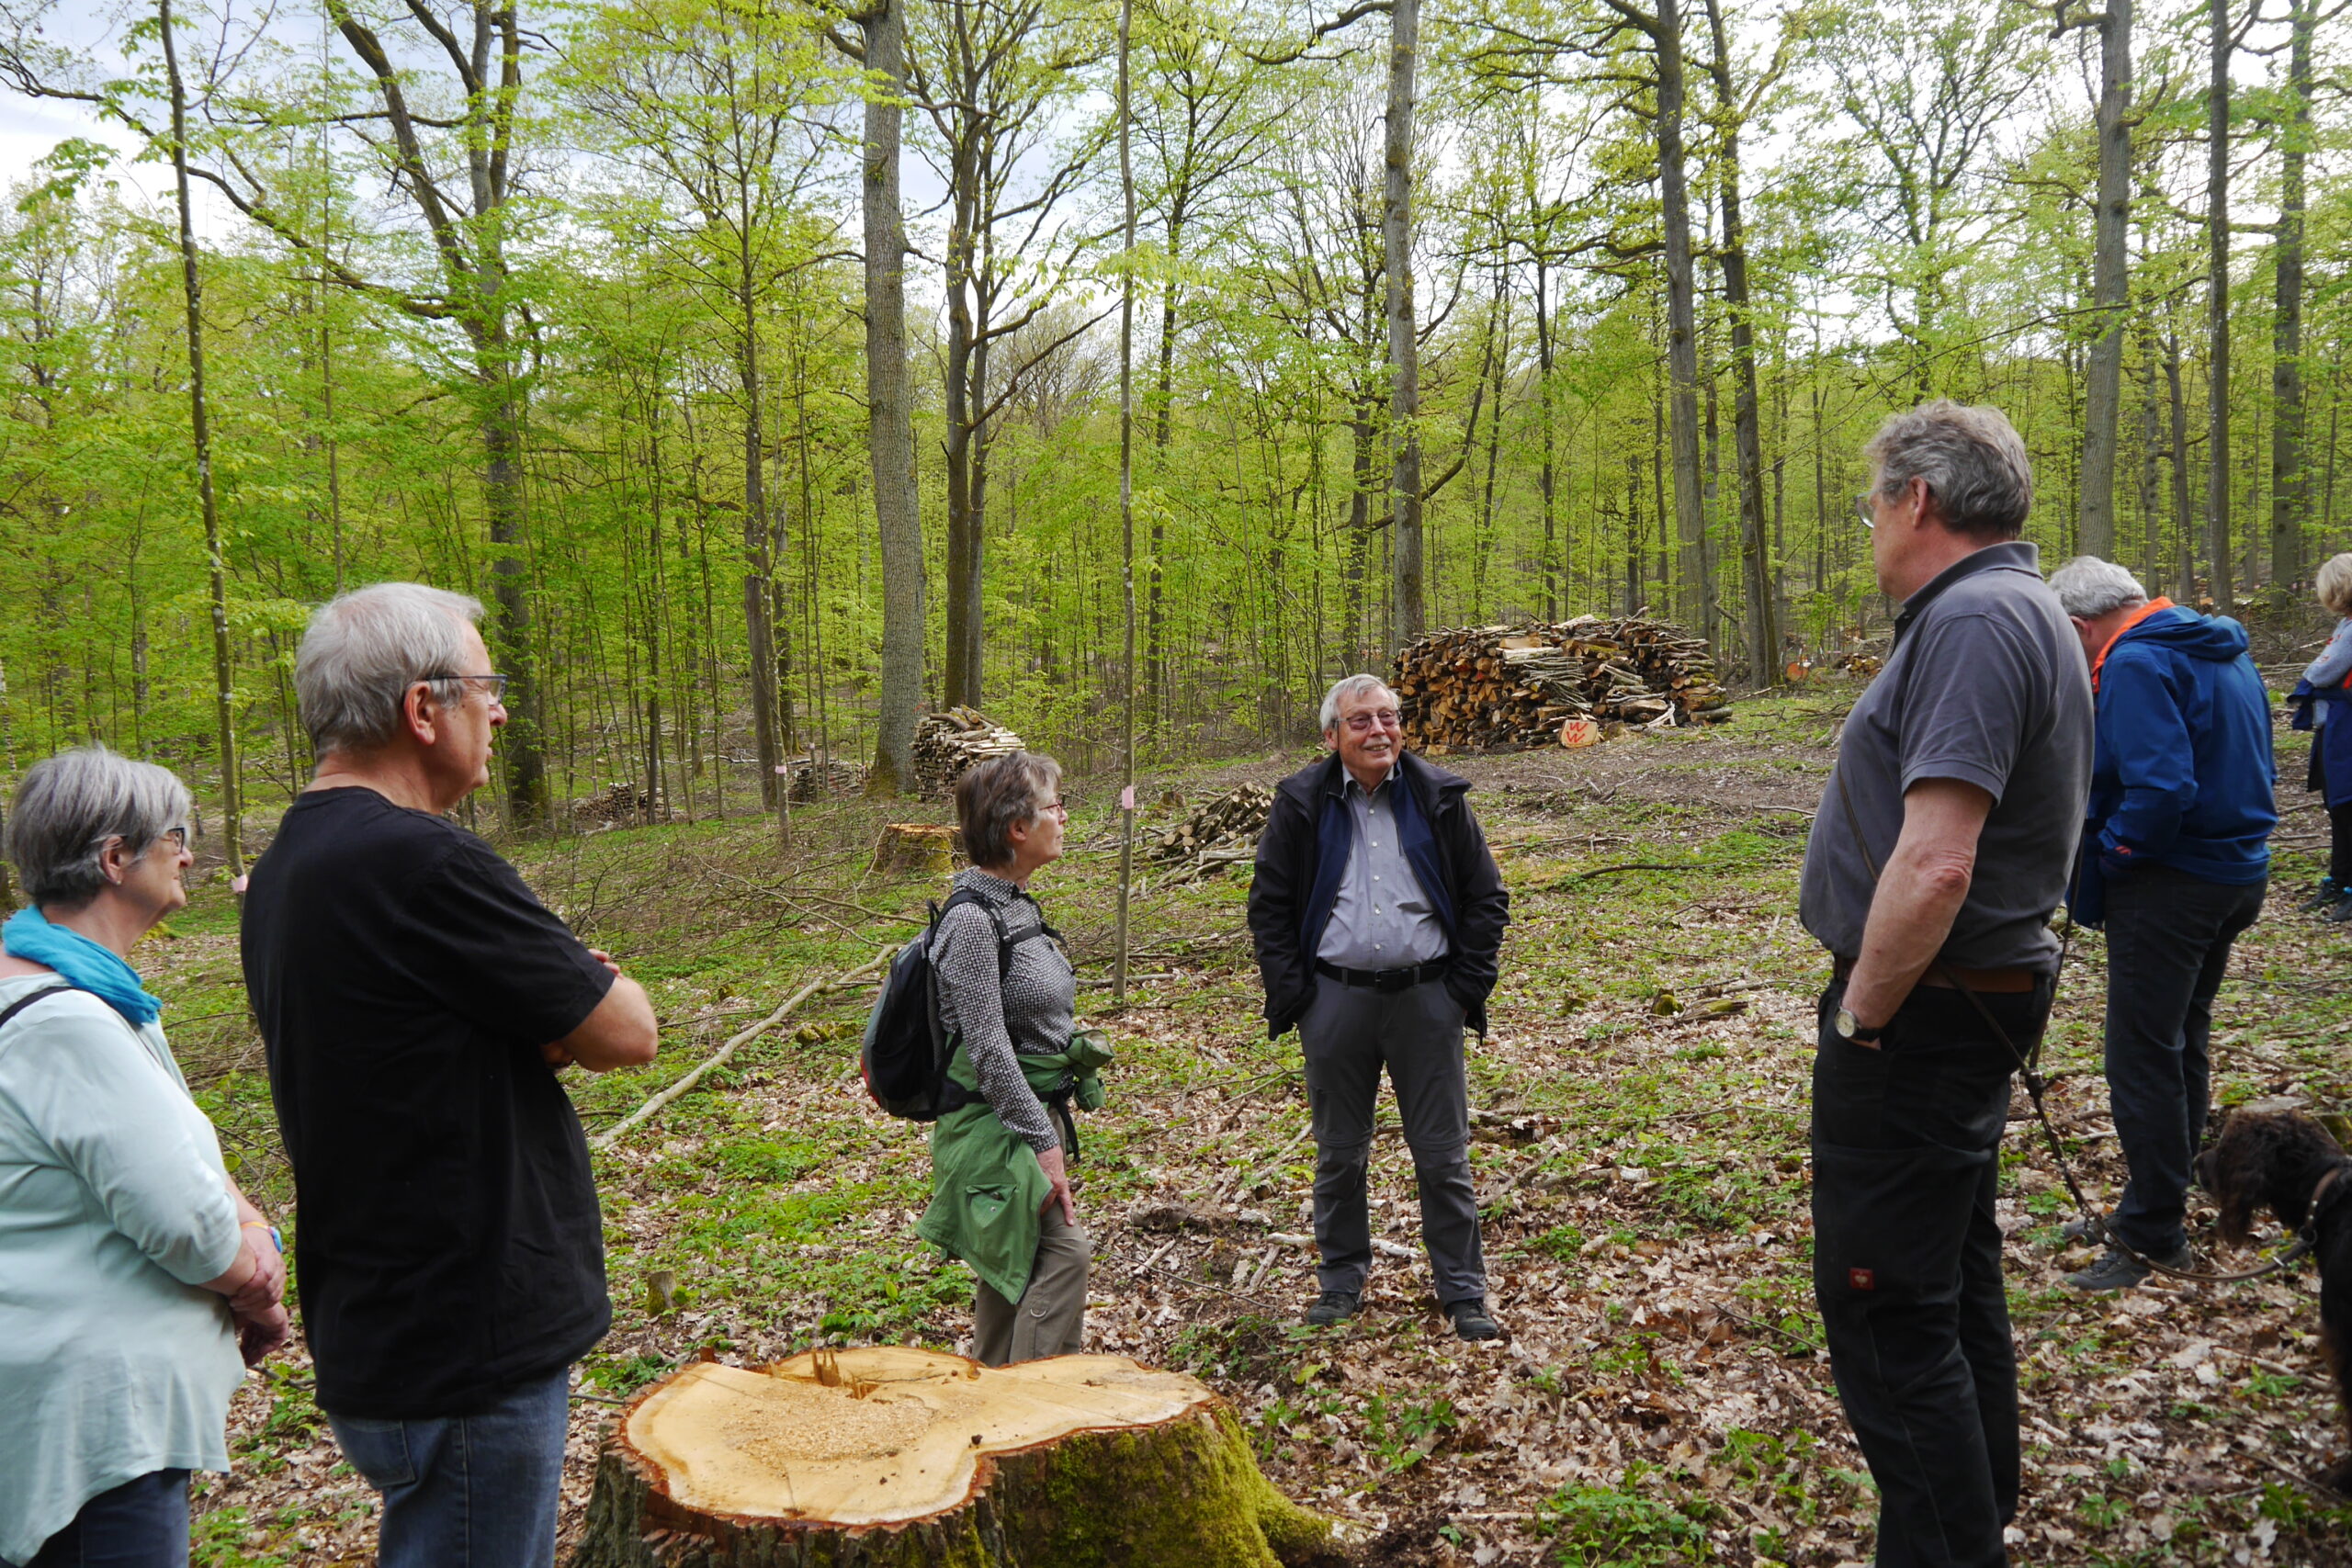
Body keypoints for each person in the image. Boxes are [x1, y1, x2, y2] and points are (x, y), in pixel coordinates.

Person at [241, 583, 658, 1568]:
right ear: (422, 710)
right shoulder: (423, 862)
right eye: (485, 688)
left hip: (383, 1321)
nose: (501, 710)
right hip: (468, 1337)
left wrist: (538, 1028)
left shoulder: (292, 863)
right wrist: (556, 1022)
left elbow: (398, 1050)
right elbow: (628, 1030)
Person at [1800, 400, 2091, 1568]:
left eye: (1873, 502)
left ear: (1916, 499)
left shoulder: (1975, 621)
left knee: (1886, 1310)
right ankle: (1979, 1517)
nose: (1868, 526)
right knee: (1950, 1275)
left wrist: (1863, 1012)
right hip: (1968, 998)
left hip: (1923, 1010)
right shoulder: (2020, 608)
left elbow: (1938, 858)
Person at [0, 748, 289, 1568]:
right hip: (95, 1427)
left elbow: (177, 1148)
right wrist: (256, 1279)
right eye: (175, 834)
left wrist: (247, 1229)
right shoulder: (62, 1019)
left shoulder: (78, 991)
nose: (190, 852)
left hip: (74, 1409)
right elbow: (184, 1220)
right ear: (114, 857)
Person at [1247, 674, 1511, 1341]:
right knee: (1340, 1152)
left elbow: (1487, 898)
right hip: (1335, 1000)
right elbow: (1270, 908)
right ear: (1331, 736)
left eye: (1388, 717)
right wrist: (1301, 997)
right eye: (1361, 720)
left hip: (1428, 999)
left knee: (1442, 1152)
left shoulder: (1437, 798)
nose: (1379, 731)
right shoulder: (1301, 803)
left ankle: (1462, 1291)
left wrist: (1462, 989)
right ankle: (1340, 1281)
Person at [2049, 556, 2274, 1292]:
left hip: (2173, 884)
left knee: (2142, 1056)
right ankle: (2158, 1202)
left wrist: (2114, 854)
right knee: (2180, 1042)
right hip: (2238, 873)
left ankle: (2153, 1234)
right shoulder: (2218, 647)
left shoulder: (2138, 664)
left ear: (2081, 626)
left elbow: (2163, 785)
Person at [915, 750, 1105, 1366]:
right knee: (1064, 1253)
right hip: (992, 1126)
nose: (1066, 817)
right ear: (1017, 828)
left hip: (1024, 1116)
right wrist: (1044, 1146)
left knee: (1013, 1267)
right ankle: (1035, 1413)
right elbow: (990, 1050)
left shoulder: (1015, 902)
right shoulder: (972, 920)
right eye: (1055, 807)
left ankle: (989, 1415)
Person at [2288, 552, 2352, 920]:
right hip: (2336, 727)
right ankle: (2340, 879)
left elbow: (2323, 672)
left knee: (2347, 805)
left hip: (2346, 728)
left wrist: (2312, 673)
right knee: (2338, 806)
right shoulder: (2346, 624)